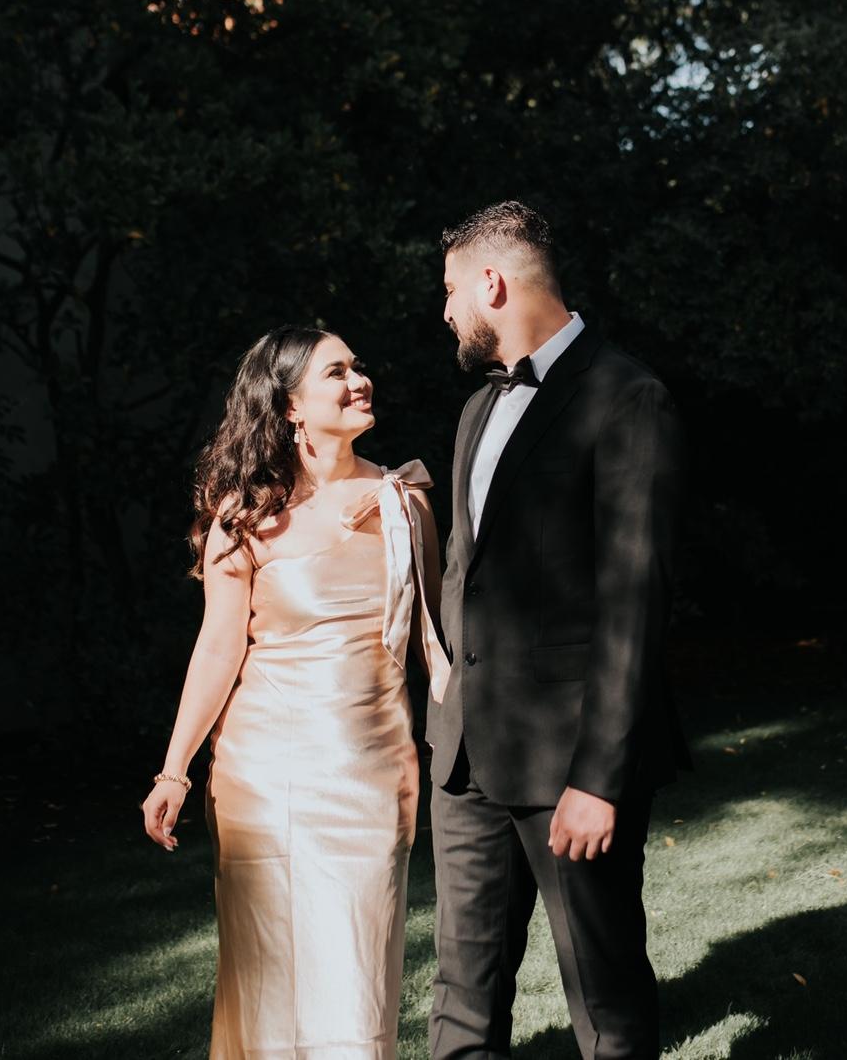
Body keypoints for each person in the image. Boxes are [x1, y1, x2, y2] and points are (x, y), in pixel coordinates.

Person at [140, 324, 449, 1060]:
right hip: (265, 775)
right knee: (271, 974)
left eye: (357, 366)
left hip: (374, 771)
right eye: (336, 372)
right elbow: (219, 646)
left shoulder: (403, 500)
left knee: (358, 966)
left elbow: (438, 639)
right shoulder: (245, 512)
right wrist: (174, 771)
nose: (359, 380)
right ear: (289, 407)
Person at [427, 201, 688, 1059]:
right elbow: (465, 570)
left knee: (605, 1002)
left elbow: (634, 600)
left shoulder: (627, 397)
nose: (446, 312)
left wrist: (599, 779)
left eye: (451, 291)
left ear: (492, 283)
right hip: (466, 759)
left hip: (569, 763)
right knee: (461, 993)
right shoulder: (477, 409)